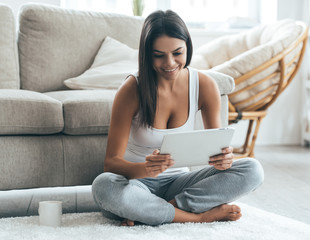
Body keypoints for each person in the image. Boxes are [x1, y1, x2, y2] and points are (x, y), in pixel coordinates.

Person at [92, 10, 264, 226]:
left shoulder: (205, 85)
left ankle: (153, 212)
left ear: (187, 48)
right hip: (137, 184)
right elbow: (111, 163)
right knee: (104, 186)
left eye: (177, 53)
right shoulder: (131, 90)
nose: (169, 63)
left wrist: (224, 161)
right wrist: (146, 169)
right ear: (147, 54)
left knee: (253, 170)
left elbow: (217, 152)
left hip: (182, 183)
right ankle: (198, 216)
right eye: (159, 55)